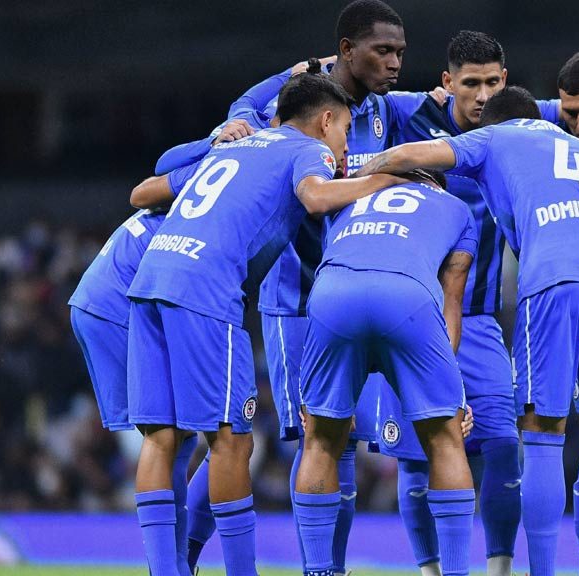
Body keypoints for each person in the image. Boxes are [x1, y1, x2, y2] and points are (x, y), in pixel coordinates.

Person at [155, 3, 410, 572]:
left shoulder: (391, 108)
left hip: (349, 292)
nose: (395, 64)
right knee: (303, 436)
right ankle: (193, 555)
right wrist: (236, 120)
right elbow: (235, 119)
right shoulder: (291, 97)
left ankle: (315, 565)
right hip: (293, 297)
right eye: (383, 52)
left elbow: (466, 114)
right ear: (345, 50)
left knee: (331, 437)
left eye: (400, 53)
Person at [358, 86, 579, 576]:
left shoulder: (492, 139)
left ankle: (543, 572)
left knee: (543, 432)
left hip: (555, 277)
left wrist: (357, 170)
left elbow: (413, 153)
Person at [372, 31, 523, 576]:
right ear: (447, 84)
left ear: (504, 82)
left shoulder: (517, 133)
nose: (482, 94)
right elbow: (336, 91)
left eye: (491, 82)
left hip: (480, 320)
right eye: (470, 83)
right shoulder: (414, 126)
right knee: (417, 458)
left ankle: (500, 567)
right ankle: (429, 571)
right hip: (413, 320)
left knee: (504, 444)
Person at [295, 170, 477, 576]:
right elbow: (452, 298)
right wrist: (451, 396)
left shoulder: (350, 199)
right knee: (446, 442)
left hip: (332, 295)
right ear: (436, 183)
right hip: (407, 297)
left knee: (320, 440)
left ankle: (320, 569)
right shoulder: (456, 209)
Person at [68, 209, 192, 576]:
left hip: (98, 303)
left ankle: (177, 565)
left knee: (177, 438)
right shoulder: (192, 216)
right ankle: (168, 569)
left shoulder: (174, 198)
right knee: (165, 435)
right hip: (115, 309)